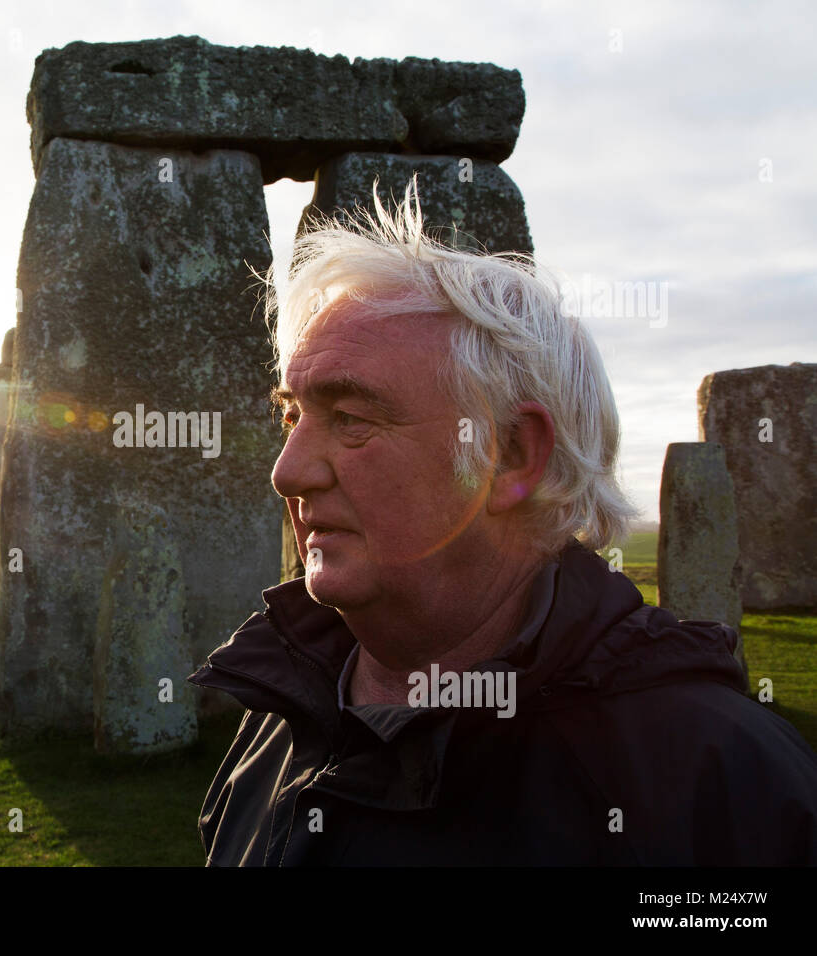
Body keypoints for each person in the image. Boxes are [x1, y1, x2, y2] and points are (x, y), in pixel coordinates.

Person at [187, 182, 817, 866]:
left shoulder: (718, 788)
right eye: (292, 416)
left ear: (511, 456)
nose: (287, 471)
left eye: (351, 419)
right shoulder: (282, 710)